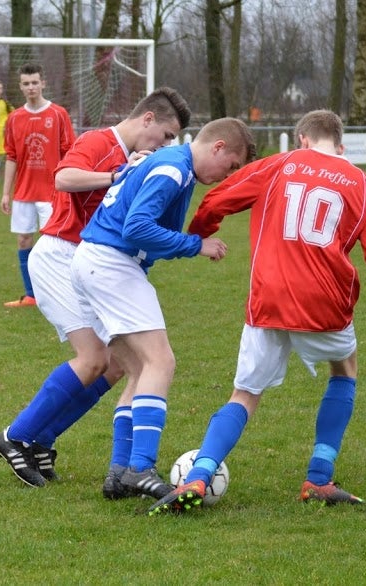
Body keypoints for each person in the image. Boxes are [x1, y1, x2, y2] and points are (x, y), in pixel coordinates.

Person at [147, 110, 366, 516]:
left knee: (245, 394)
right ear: (340, 146)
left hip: (268, 297)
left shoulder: (279, 164)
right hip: (325, 301)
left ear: (301, 139)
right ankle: (318, 478)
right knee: (344, 369)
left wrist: (199, 234)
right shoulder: (359, 181)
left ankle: (199, 474)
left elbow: (218, 199)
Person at [0, 88, 192, 491]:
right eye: (167, 135)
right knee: (93, 358)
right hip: (60, 254)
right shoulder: (101, 141)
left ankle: (42, 439)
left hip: (90, 261)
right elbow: (63, 178)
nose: (166, 144)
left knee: (117, 365)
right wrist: (117, 175)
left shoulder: (139, 156)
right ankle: (16, 436)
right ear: (148, 119)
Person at [69, 117, 256, 500]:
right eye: (231, 165)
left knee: (139, 370)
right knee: (161, 362)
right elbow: (136, 228)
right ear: (218, 146)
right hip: (111, 263)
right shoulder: (173, 169)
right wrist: (195, 245)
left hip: (93, 261)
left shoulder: (173, 165)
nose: (226, 176)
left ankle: (120, 472)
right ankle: (141, 467)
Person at [0, 63, 76, 307]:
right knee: (24, 240)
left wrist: (69, 188)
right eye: (26, 83)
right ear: (20, 87)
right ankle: (31, 295)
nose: (31, 87)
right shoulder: (14, 118)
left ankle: (61, 293)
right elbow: (11, 156)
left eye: (35, 82)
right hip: (24, 193)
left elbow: (69, 154)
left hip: (52, 193)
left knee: (54, 245)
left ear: (43, 83)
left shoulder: (58, 114)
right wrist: (6, 193)